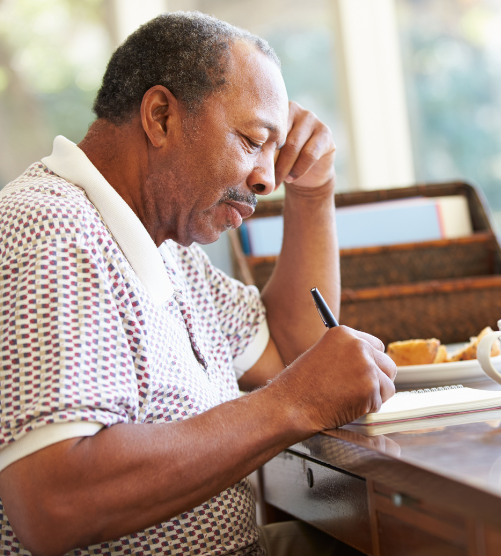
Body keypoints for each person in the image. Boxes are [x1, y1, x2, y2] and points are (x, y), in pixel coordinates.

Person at [0, 12, 396, 556]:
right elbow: (53, 504)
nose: (266, 178)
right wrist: (291, 405)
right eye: (252, 140)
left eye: (274, 153)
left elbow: (291, 352)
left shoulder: (168, 249)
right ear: (160, 116)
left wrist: (314, 188)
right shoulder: (54, 231)